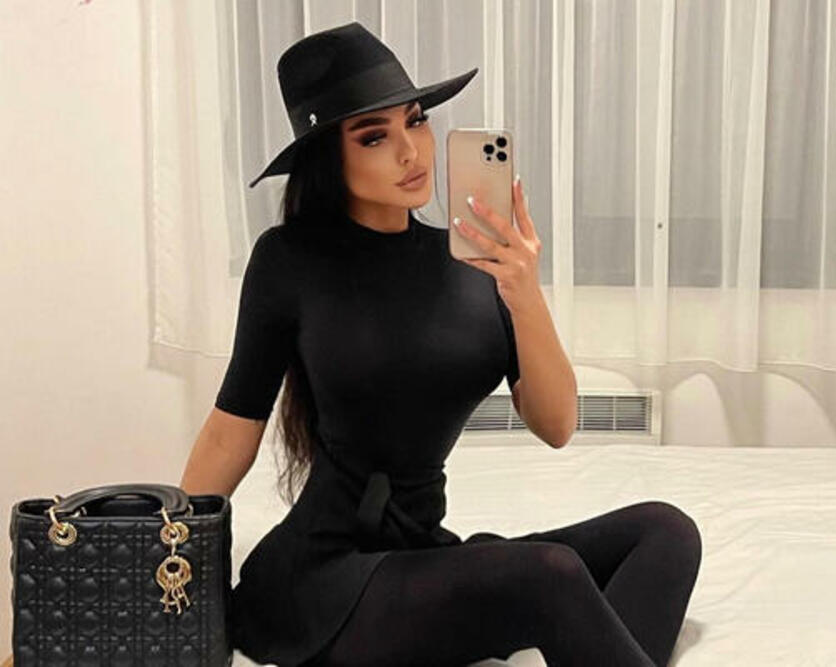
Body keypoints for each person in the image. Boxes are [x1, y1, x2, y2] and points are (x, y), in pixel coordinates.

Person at [179, 21, 701, 667]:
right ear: (328, 158)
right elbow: (230, 432)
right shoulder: (289, 262)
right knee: (550, 574)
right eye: (375, 136)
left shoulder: (475, 262)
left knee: (667, 533)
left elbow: (557, 424)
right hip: (326, 578)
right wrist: (168, 549)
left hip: (422, 556)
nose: (411, 151)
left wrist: (524, 291)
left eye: (416, 121)